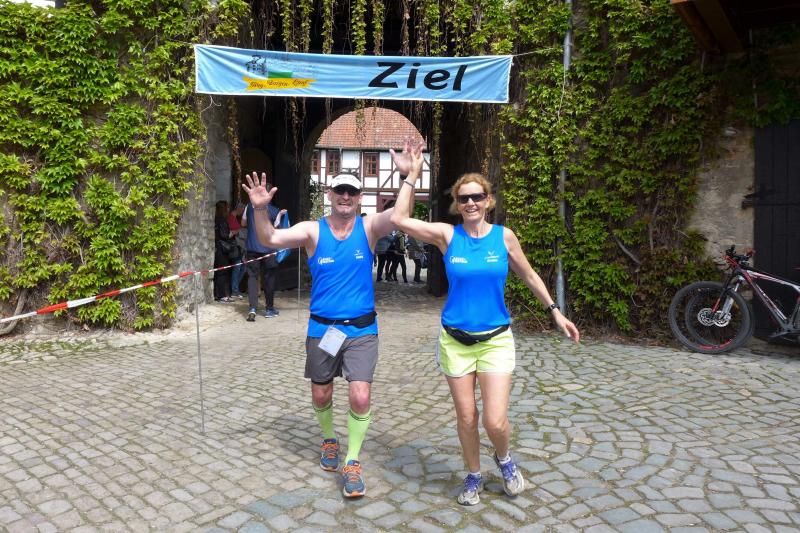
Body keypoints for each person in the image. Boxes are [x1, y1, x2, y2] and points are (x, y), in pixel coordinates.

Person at [389, 141, 580, 506]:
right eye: (464, 199)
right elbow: (398, 220)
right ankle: (474, 474)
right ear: (457, 204)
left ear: (488, 201)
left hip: (495, 339)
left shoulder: (503, 237)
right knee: (466, 417)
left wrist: (555, 310)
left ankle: (504, 460)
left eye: (477, 197)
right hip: (455, 341)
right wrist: (412, 175)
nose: (471, 203)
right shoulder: (448, 236)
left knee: (495, 421)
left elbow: (529, 275)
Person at [242, 171, 401, 498]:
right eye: (340, 190)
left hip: (361, 329)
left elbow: (399, 216)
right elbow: (269, 238)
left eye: (352, 192)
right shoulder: (313, 230)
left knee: (360, 395)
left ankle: (352, 460)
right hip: (323, 329)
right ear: (330, 193)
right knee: (321, 395)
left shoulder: (369, 228)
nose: (346, 196)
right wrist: (259, 209)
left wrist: (410, 177)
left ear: (359, 197)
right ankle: (330, 439)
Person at [241, 189, 286, 321]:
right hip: (269, 250)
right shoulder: (274, 210)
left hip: (252, 248)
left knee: (252, 278)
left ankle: (252, 309)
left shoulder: (249, 207)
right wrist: (281, 216)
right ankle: (269, 309)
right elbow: (277, 230)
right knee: (269, 279)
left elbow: (243, 223)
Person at [213, 200, 235, 302]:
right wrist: (232, 233)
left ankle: (218, 294)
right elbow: (224, 235)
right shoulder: (222, 220)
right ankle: (221, 295)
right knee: (222, 272)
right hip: (222, 249)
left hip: (218, 248)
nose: (229, 209)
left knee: (219, 271)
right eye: (227, 207)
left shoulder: (216, 219)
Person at [228, 203, 246, 299]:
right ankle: (234, 291)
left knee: (242, 268)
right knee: (237, 268)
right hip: (235, 247)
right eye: (242, 210)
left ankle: (236, 289)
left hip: (240, 247)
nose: (242, 213)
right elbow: (231, 231)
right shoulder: (231, 218)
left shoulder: (235, 218)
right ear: (238, 208)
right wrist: (239, 230)